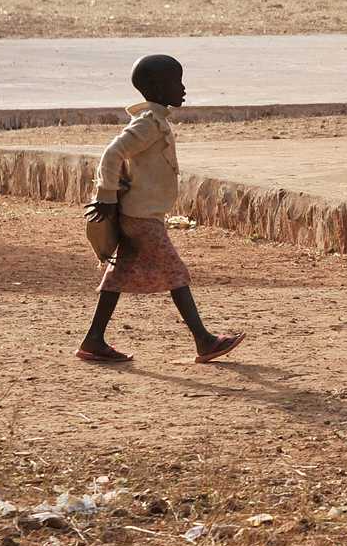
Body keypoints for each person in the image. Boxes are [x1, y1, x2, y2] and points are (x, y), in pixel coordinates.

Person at [77, 54, 242, 365]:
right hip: (141, 217)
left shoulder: (156, 121)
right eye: (175, 82)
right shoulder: (148, 124)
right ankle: (204, 340)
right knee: (176, 273)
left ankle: (94, 340)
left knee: (117, 277)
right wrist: (106, 195)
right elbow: (112, 154)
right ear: (156, 87)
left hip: (141, 213)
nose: (182, 88)